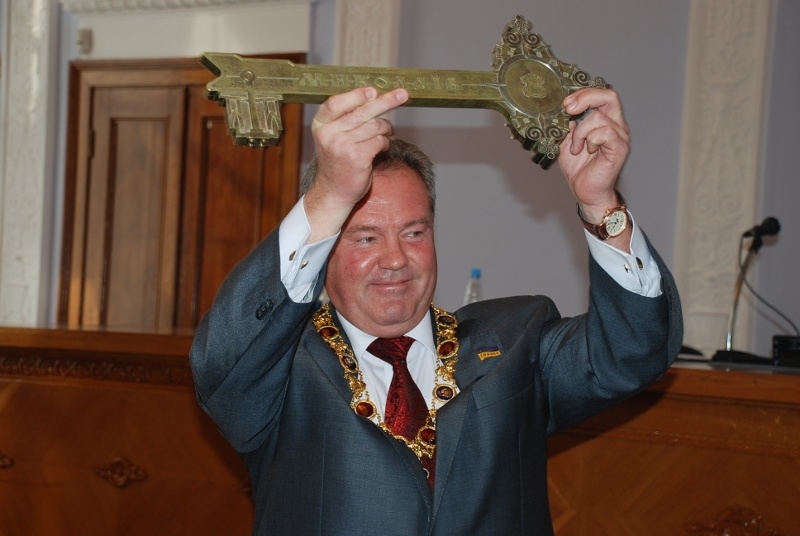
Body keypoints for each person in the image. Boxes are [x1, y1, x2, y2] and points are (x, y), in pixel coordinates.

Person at [189, 85, 682, 535]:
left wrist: (600, 203)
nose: (395, 259)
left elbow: (636, 351)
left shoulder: (516, 342)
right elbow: (222, 361)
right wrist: (328, 197)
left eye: (414, 232)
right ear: (326, 250)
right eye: (366, 237)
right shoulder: (277, 369)